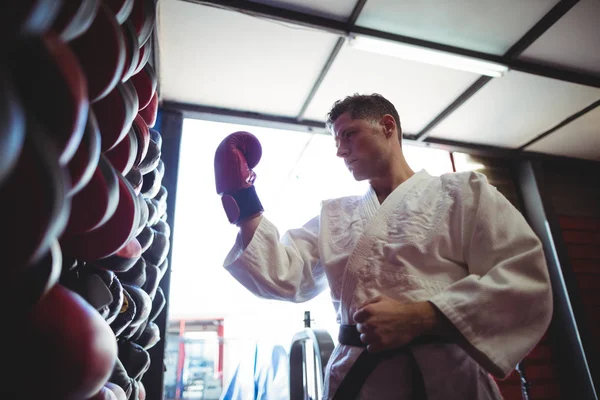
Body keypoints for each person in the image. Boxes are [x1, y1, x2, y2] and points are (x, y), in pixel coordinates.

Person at [213, 93, 553, 400]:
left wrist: (426, 316)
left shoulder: (464, 194)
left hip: (448, 382)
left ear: (387, 127)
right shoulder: (336, 215)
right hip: (360, 381)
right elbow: (285, 274)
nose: (340, 150)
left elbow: (523, 275)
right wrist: (244, 200)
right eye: (336, 141)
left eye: (349, 134)